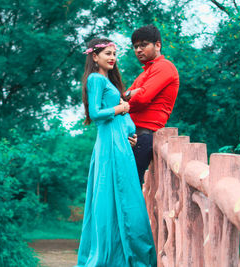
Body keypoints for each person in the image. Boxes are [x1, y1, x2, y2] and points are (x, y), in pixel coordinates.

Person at [75, 38, 157, 267]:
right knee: (115, 195)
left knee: (123, 195)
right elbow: (95, 113)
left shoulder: (107, 81)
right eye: (107, 53)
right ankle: (113, 255)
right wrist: (121, 108)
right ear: (95, 57)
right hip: (109, 145)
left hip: (119, 143)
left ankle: (123, 252)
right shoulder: (95, 79)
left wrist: (127, 133)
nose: (112, 57)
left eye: (114, 53)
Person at [124, 24, 179, 185]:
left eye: (143, 45)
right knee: (125, 187)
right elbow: (124, 98)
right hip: (133, 136)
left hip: (144, 136)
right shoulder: (145, 73)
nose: (138, 50)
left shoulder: (165, 67)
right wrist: (130, 94)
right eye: (135, 47)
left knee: (130, 188)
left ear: (157, 45)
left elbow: (142, 98)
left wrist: (130, 96)